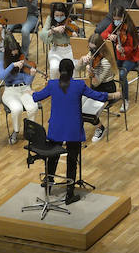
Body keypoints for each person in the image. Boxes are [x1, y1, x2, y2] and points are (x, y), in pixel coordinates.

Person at [35, 59, 110, 204]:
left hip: (56, 129)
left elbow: (37, 97)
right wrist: (111, 95)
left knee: (53, 157)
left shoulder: (52, 84)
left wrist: (30, 92)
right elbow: (96, 95)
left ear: (60, 71)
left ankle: (48, 185)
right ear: (72, 71)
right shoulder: (79, 85)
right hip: (73, 129)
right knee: (72, 160)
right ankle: (70, 194)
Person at [0, 38, 39, 143]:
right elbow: (2, 76)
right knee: (17, 109)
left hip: (25, 89)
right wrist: (12, 65)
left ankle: (30, 131)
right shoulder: (2, 62)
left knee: (33, 107)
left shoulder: (22, 59)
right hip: (10, 91)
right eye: (13, 54)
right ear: (7, 53)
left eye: (17, 53)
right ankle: (15, 132)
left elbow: (27, 81)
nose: (15, 56)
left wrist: (32, 76)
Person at [100, 11, 139, 111]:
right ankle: (110, 95)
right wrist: (109, 36)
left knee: (122, 74)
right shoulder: (113, 25)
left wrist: (123, 49)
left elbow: (132, 48)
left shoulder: (131, 29)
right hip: (119, 57)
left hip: (131, 58)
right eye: (115, 19)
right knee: (106, 69)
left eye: (118, 19)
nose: (116, 21)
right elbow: (103, 34)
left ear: (123, 17)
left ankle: (125, 100)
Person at [40, 1, 78, 78]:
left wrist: (75, 35)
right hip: (56, 50)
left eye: (62, 15)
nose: (60, 17)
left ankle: (73, 87)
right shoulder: (50, 19)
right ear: (53, 15)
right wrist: (53, 30)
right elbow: (42, 34)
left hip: (70, 50)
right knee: (54, 68)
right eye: (57, 15)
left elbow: (77, 31)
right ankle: (55, 88)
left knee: (75, 68)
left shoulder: (69, 21)